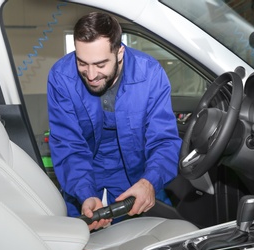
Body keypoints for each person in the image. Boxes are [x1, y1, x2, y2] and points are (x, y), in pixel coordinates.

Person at [47, 12, 181, 230]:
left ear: (120, 53)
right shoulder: (61, 78)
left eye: (100, 64)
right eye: (82, 63)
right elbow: (68, 145)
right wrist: (85, 194)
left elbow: (164, 140)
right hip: (84, 168)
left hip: (138, 169)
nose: (90, 75)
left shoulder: (150, 74)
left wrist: (150, 182)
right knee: (79, 235)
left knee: (162, 228)